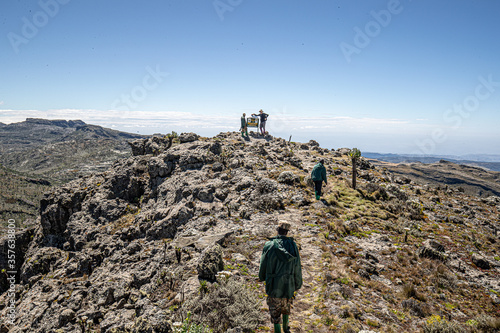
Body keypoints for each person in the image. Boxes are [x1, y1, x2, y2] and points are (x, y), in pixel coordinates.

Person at [259, 221, 302, 333]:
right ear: (287, 232)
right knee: (286, 308)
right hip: (288, 285)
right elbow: (297, 266)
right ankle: (286, 328)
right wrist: (297, 284)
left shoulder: (269, 245)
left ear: (277, 230)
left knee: (275, 312)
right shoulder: (293, 245)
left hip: (273, 285)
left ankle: (278, 331)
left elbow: (263, 265)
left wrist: (262, 277)